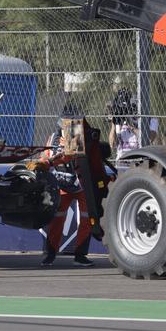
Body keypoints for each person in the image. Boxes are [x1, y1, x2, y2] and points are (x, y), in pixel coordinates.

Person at [31, 110, 95, 267]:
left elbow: (70, 155)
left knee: (87, 218)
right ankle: (50, 255)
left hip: (81, 184)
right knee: (56, 219)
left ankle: (80, 256)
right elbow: (44, 156)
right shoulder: (53, 137)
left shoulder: (80, 137)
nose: (70, 131)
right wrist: (41, 163)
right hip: (61, 183)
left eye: (72, 127)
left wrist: (50, 161)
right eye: (66, 128)